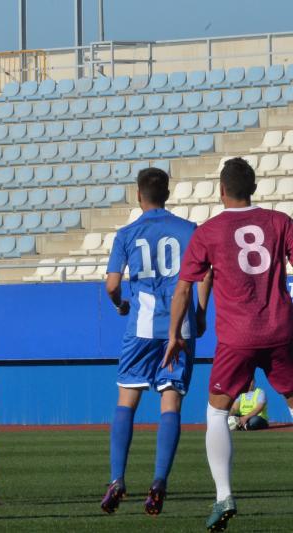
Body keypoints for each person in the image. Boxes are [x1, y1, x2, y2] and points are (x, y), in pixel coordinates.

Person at [165, 157, 293, 532]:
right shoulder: (280, 222)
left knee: (217, 412)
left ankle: (224, 496)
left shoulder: (209, 231)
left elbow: (184, 287)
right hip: (281, 329)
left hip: (236, 336)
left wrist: (175, 335)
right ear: (254, 187)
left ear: (221, 191)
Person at [102, 167, 211, 516]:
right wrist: (200, 312)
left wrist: (121, 306)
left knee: (127, 400)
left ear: (138, 195)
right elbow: (207, 272)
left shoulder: (127, 234)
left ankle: (117, 480)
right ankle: (159, 482)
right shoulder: (189, 230)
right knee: (171, 402)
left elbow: (112, 286)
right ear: (168, 193)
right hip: (180, 328)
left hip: (142, 326)